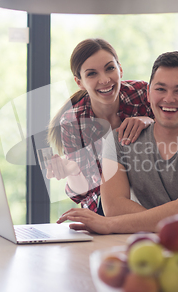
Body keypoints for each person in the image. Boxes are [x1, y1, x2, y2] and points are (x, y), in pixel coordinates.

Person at [57, 51, 178, 251]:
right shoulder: (118, 142)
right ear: (149, 93)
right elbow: (115, 207)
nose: (169, 99)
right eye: (161, 89)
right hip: (155, 254)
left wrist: (109, 225)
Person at [47, 38, 154, 215]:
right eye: (92, 74)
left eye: (110, 68)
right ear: (79, 82)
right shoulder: (72, 122)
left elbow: (174, 134)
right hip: (104, 210)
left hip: (150, 197)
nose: (104, 80)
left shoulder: (142, 94)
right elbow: (84, 193)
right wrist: (72, 171)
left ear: (120, 69)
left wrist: (149, 122)